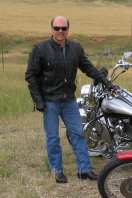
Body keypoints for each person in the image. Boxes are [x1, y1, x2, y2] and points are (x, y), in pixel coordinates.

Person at [25, 16, 116, 183]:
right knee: (52, 136)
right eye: (57, 28)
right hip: (50, 100)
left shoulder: (74, 47)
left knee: (78, 134)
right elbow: (31, 76)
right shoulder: (40, 49)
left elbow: (88, 67)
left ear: (68, 29)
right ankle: (57, 170)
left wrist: (107, 83)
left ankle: (84, 169)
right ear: (51, 29)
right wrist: (38, 100)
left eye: (64, 28)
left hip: (69, 100)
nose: (60, 31)